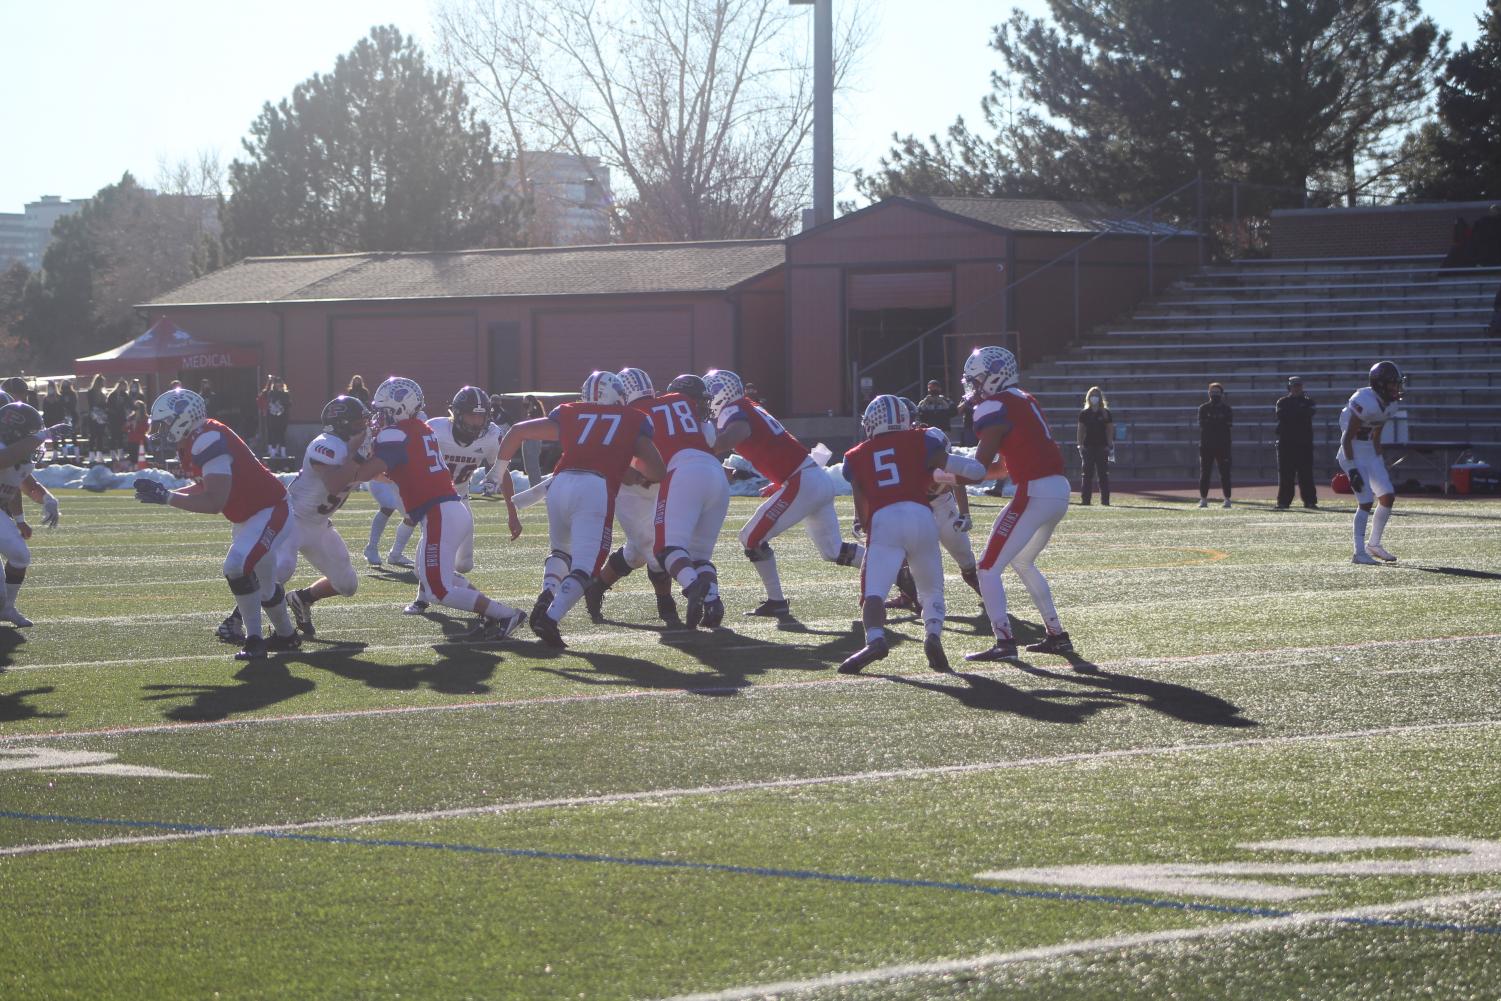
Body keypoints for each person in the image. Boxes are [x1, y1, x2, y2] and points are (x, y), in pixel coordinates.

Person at [497, 371, 666, 648]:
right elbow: (657, 470)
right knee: (587, 567)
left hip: (560, 484)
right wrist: (636, 474)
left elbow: (518, 431)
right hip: (594, 489)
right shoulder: (633, 419)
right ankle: (550, 618)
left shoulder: (571, 412)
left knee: (560, 550)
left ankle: (548, 593)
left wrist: (498, 471)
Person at [353, 377, 527, 640]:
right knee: (428, 574)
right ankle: (492, 613)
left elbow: (370, 470)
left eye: (384, 410)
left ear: (400, 409)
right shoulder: (426, 429)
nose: (380, 417)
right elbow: (395, 471)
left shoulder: (404, 432)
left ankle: (505, 614)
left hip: (445, 508)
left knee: (439, 589)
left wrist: (349, 460)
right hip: (445, 506)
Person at [133, 387, 300, 660]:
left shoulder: (206, 440)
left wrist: (167, 498)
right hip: (252, 515)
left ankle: (255, 640)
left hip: (271, 510)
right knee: (267, 586)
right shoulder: (199, 437)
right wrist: (167, 494)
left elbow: (213, 502)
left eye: (164, 423)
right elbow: (205, 488)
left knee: (236, 566)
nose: (160, 430)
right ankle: (286, 636)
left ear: (183, 418)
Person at [839, 396, 987, 675]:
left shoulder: (855, 455)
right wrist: (972, 472)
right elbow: (969, 470)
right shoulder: (923, 440)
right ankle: (932, 634)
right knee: (931, 588)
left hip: (885, 520)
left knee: (873, 593)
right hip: (922, 517)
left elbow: (861, 497)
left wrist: (864, 524)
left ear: (872, 422)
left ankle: (875, 640)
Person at [704, 367, 863, 618]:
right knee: (833, 550)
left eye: (708, 394)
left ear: (720, 393)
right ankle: (898, 570)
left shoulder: (734, 411)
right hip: (812, 477)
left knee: (751, 538)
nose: (706, 400)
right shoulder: (748, 406)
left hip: (802, 481)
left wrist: (701, 446)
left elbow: (735, 435)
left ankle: (776, 601)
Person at [962, 345, 1075, 661]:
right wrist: (958, 473)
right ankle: (1057, 635)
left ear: (995, 375)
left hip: (1035, 492)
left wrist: (944, 474)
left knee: (986, 568)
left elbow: (978, 470)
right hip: (1058, 490)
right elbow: (1000, 469)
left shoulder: (995, 407)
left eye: (978, 379)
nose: (974, 387)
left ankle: (1004, 642)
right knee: (1022, 561)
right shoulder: (1023, 400)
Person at [582, 369, 683, 627]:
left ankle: (597, 586)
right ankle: (666, 604)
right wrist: (624, 470)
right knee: (653, 543)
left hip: (656, 483)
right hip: (631, 486)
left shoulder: (642, 412)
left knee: (637, 552)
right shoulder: (620, 416)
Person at [632, 373, 730, 629]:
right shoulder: (684, 406)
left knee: (666, 549)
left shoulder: (640, 411)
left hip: (683, 470)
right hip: (716, 473)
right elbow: (707, 437)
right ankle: (713, 601)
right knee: (699, 556)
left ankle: (693, 586)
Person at [401, 386, 507, 616]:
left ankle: (438, 578)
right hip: (434, 500)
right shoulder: (436, 430)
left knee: (464, 565)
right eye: (471, 414)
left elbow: (502, 467)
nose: (477, 421)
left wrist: (512, 509)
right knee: (426, 563)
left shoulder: (491, 436)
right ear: (457, 414)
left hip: (460, 499)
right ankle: (423, 596)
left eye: (481, 415)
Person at [284, 396, 372, 636]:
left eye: (364, 422)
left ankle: (301, 599)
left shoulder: (355, 447)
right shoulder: (325, 443)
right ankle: (236, 620)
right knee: (280, 570)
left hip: (320, 525)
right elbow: (334, 483)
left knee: (347, 584)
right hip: (292, 520)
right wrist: (359, 455)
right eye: (357, 423)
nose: (363, 428)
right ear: (340, 424)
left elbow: (372, 474)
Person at [0, 401, 62, 627]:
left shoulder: (19, 455)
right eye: (30, 435)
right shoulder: (5, 450)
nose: (36, 440)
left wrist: (47, 499)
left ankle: (7, 609)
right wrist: (42, 436)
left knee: (20, 556)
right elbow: (3, 460)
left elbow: (20, 483)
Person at [1339, 361, 1405, 565]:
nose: (1396, 388)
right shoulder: (1364, 400)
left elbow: (1376, 433)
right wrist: (1352, 468)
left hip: (1369, 452)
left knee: (1387, 496)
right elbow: (1346, 438)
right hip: (1352, 451)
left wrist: (1380, 460)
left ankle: (1374, 544)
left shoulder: (1390, 404)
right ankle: (1358, 552)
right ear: (1380, 384)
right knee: (1366, 501)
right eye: (1392, 384)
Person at [1274, 376, 1318, 510]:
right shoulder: (1282, 402)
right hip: (1286, 443)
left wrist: (1294, 413)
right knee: (1286, 474)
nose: (1297, 388)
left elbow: (1308, 413)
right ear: (1289, 387)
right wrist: (1299, 412)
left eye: (1299, 386)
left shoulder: (1309, 401)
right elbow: (1282, 415)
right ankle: (1283, 501)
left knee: (1306, 474)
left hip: (1304, 443)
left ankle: (1310, 501)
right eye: (1294, 386)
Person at [1075, 386, 1113, 505]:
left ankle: (1105, 500)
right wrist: (1080, 445)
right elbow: (1080, 430)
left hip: (1102, 447)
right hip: (1088, 447)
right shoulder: (1084, 413)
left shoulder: (1106, 413)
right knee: (1087, 475)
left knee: (1103, 475)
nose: (1094, 398)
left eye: (1096, 395)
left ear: (1100, 398)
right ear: (1088, 397)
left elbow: (1109, 430)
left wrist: (1109, 444)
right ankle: (1085, 500)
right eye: (1092, 395)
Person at [1197, 382, 1233, 508]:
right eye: (1212, 392)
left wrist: (1213, 421)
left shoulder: (1226, 409)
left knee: (1225, 473)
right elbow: (1203, 425)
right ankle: (1203, 499)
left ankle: (1227, 499)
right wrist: (1218, 421)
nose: (1215, 395)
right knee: (1205, 473)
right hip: (1206, 445)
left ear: (1222, 394)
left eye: (1217, 393)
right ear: (1209, 394)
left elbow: (1227, 424)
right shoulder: (1203, 408)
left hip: (1223, 445)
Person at [83, 374, 109, 465]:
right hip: (93, 416)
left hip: (101, 417)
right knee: (93, 436)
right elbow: (92, 404)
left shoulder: (103, 393)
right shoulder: (91, 392)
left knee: (100, 436)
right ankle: (91, 456)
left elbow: (105, 405)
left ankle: (99, 456)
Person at [264, 377, 290, 460]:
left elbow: (289, 405)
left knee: (282, 435)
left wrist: (282, 404)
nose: (278, 385)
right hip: (272, 417)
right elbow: (267, 403)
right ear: (274, 385)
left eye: (279, 384)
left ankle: (283, 453)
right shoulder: (271, 393)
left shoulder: (285, 394)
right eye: (276, 384)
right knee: (273, 435)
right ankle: (273, 452)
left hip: (282, 418)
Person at [106, 379, 130, 464]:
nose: (123, 388)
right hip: (113, 419)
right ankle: (113, 455)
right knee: (113, 437)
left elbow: (128, 405)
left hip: (121, 419)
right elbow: (108, 407)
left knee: (120, 437)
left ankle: (120, 455)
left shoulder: (125, 395)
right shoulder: (112, 395)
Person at [123, 400, 148, 469]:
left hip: (140, 441)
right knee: (132, 459)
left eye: (137, 407)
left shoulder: (145, 418)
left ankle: (139, 471)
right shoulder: (131, 417)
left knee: (139, 459)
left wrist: (137, 425)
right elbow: (124, 429)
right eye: (135, 407)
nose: (136, 409)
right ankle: (133, 471)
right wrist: (128, 425)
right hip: (131, 441)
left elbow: (146, 429)